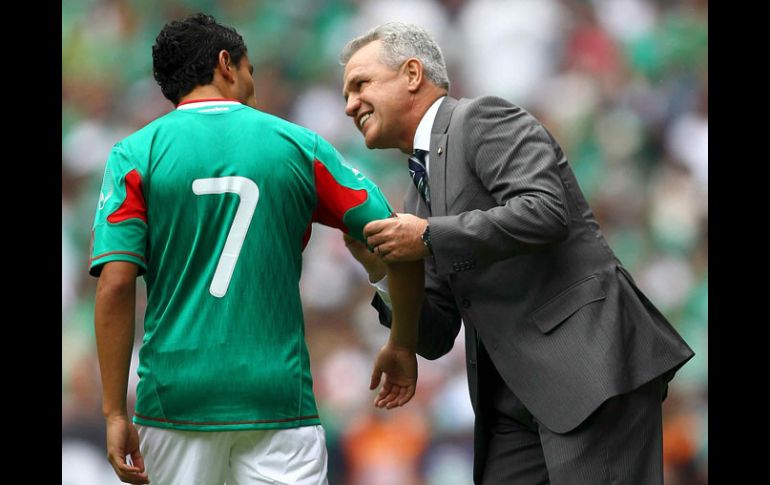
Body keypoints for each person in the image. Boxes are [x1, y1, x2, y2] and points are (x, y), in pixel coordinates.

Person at [340, 22, 695, 485]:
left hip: (588, 369)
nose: (349, 105)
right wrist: (379, 267)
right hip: (510, 401)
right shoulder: (416, 195)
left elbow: (547, 211)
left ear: (411, 74)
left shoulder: (482, 118)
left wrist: (428, 235)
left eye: (360, 84)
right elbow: (437, 333)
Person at [90, 13, 423, 485]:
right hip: (277, 399)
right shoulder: (297, 144)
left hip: (174, 399)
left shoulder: (134, 153)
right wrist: (402, 342)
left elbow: (116, 283)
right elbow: (398, 238)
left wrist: (112, 414)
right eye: (250, 70)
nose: (252, 84)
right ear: (226, 64)